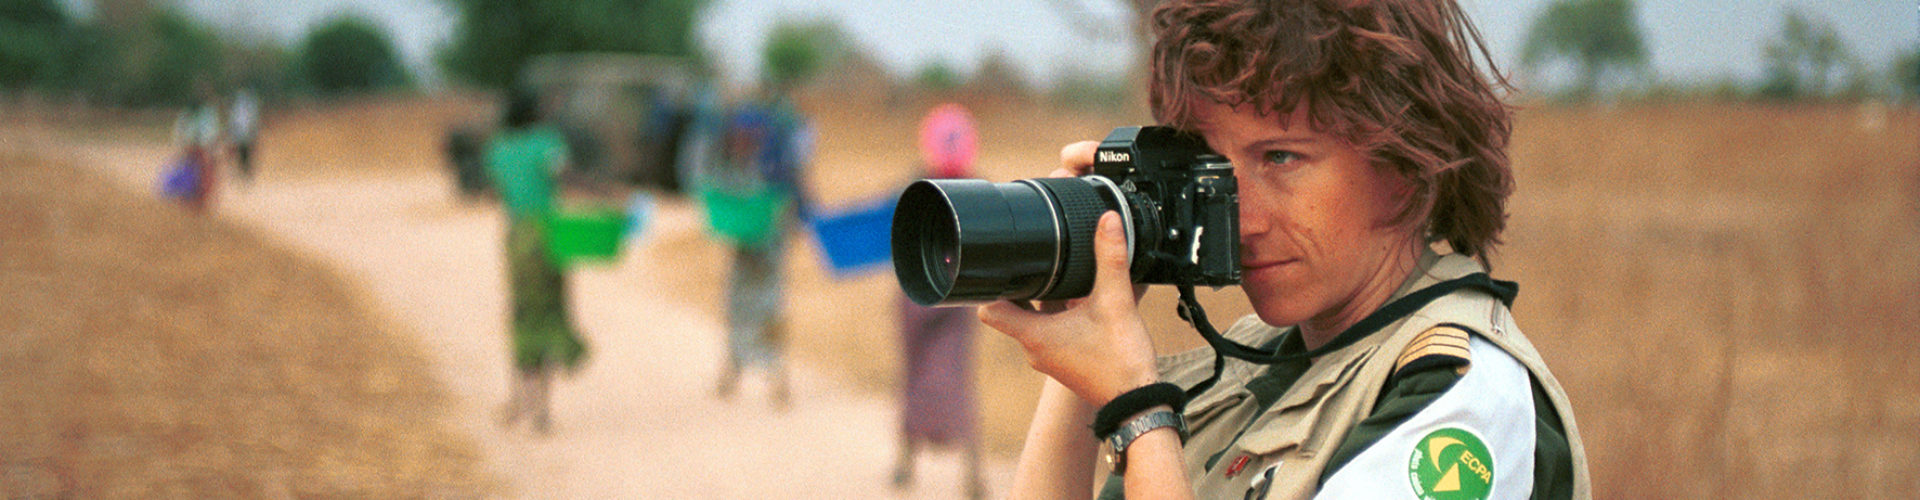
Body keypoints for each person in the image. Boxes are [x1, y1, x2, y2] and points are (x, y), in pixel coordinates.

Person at [979, 1, 1590, 499]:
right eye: (1214, 166)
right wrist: (1081, 308)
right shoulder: (1245, 379)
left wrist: (1138, 409)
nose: (1240, 217)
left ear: (1406, 162)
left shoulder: (1461, 402)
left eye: (1281, 158)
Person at [892, 103, 984, 499]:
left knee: (918, 378)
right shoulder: (977, 191)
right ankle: (967, 476)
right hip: (952, 297)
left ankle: (910, 465)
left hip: (922, 297)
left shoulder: (917, 186)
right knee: (952, 382)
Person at [485, 88, 590, 435]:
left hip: (517, 237)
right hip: (549, 234)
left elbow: (496, 191)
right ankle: (543, 408)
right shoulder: (547, 142)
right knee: (550, 312)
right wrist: (604, 193)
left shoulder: (498, 148)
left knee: (522, 313)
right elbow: (565, 175)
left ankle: (518, 397)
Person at [708, 89, 814, 409]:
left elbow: (798, 202)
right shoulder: (737, 166)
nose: (741, 141)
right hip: (744, 249)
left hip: (770, 251)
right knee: (736, 306)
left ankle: (777, 375)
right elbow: (721, 201)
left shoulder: (776, 165)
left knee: (770, 310)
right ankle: (733, 368)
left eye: (747, 136)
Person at [171, 85, 222, 213]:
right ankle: (197, 200)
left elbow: (180, 130)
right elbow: (210, 133)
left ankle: (197, 200)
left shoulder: (194, 112)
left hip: (196, 147)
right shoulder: (203, 113)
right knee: (202, 174)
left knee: (198, 174)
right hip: (199, 148)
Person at [228, 86, 261, 184]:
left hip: (245, 134)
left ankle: (246, 175)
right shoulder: (237, 109)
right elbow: (233, 121)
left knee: (247, 155)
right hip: (240, 134)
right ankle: (242, 174)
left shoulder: (248, 108)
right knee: (240, 155)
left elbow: (252, 121)